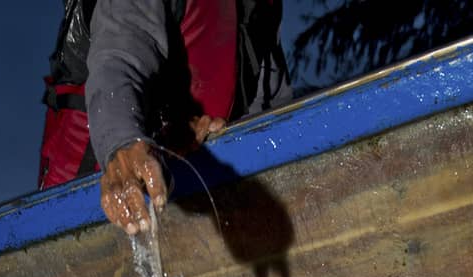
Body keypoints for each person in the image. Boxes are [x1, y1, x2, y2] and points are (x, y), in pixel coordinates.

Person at [37, 0, 292, 233]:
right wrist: (121, 143)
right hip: (87, 187)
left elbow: (270, 114)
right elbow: (116, 62)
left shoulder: (261, 10)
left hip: (190, 189)